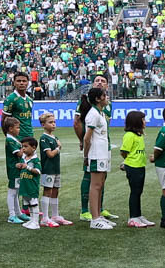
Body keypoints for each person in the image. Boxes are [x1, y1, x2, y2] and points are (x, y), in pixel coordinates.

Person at [74, 74, 112, 221]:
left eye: (103, 81)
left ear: (107, 86)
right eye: (97, 80)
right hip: (93, 147)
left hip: (104, 145)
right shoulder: (89, 105)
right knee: (90, 177)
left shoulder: (107, 105)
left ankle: (99, 209)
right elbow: (77, 123)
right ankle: (86, 210)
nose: (100, 82)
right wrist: (83, 141)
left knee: (102, 177)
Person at [81, 87, 114, 230]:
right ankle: (94, 219)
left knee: (100, 185)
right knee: (95, 186)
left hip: (102, 153)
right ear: (98, 99)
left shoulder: (99, 113)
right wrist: (86, 156)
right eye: (104, 95)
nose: (107, 97)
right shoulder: (93, 114)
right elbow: (87, 138)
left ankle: (98, 214)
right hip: (96, 154)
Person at [119, 110, 151, 228]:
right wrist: (128, 162)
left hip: (140, 166)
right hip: (133, 167)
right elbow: (124, 152)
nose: (145, 121)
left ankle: (138, 215)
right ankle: (133, 217)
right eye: (143, 119)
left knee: (139, 191)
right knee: (135, 192)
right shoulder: (129, 135)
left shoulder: (139, 135)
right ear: (137, 121)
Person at [38, 111, 70, 226]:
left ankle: (55, 215)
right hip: (48, 169)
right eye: (50, 122)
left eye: (54, 122)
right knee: (47, 191)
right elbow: (50, 154)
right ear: (43, 125)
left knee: (55, 191)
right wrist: (58, 148)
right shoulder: (44, 138)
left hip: (56, 169)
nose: (53, 124)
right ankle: (45, 218)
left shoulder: (54, 137)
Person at [2, 115, 25, 224]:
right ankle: (12, 215)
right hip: (13, 169)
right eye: (17, 127)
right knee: (12, 192)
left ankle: (18, 212)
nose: (19, 129)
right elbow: (19, 153)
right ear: (10, 129)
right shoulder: (10, 140)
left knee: (16, 191)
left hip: (17, 169)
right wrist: (25, 148)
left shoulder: (14, 139)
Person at [17, 138, 42, 230]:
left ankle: (36, 222)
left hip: (32, 186)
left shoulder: (35, 160)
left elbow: (38, 171)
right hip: (24, 186)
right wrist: (19, 166)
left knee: (34, 203)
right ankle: (32, 220)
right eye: (22, 146)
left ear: (33, 147)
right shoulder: (24, 158)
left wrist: (27, 167)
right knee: (28, 204)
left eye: (26, 146)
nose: (23, 149)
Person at [3, 72, 36, 139]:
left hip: (30, 136)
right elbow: (4, 120)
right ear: (14, 83)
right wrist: (9, 137)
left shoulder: (29, 99)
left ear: (28, 83)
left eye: (24, 81)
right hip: (17, 137)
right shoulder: (11, 99)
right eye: (18, 81)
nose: (21, 83)